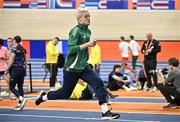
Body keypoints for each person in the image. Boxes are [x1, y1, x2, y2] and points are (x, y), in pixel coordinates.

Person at [35, 8, 120, 120]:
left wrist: (88, 49)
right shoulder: (75, 31)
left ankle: (105, 112)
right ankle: (44, 97)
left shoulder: (87, 31)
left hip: (83, 67)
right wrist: (88, 44)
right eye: (86, 17)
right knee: (65, 94)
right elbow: (71, 50)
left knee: (98, 82)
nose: (89, 18)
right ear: (79, 19)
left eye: (89, 16)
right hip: (72, 68)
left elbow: (83, 50)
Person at [6, 36, 27, 110]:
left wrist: (6, 69)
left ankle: (21, 98)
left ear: (14, 41)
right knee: (20, 87)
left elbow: (11, 61)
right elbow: (26, 61)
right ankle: (20, 104)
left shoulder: (14, 49)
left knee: (11, 87)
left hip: (15, 70)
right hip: (22, 70)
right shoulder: (23, 49)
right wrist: (25, 70)